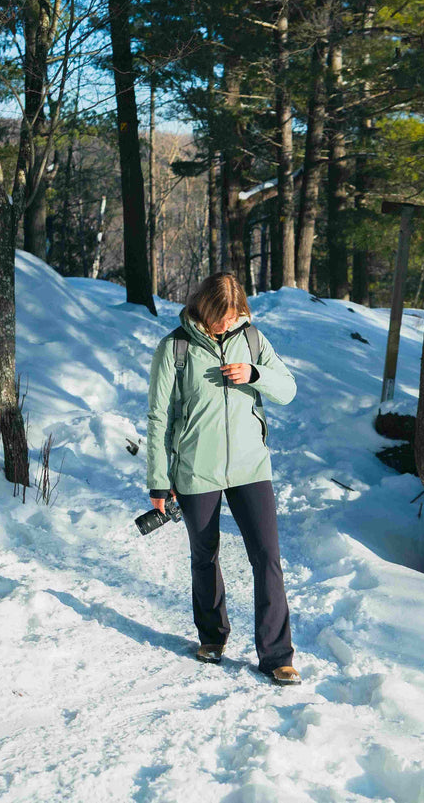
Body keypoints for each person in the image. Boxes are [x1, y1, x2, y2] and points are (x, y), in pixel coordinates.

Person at [146, 272, 301, 686]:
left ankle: (277, 655)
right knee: (205, 556)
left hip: (251, 468)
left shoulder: (252, 340)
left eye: (234, 316)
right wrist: (159, 481)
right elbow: (159, 417)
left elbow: (287, 389)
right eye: (221, 316)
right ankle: (212, 637)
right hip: (197, 470)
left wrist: (255, 374)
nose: (226, 324)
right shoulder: (175, 348)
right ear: (204, 308)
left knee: (267, 557)